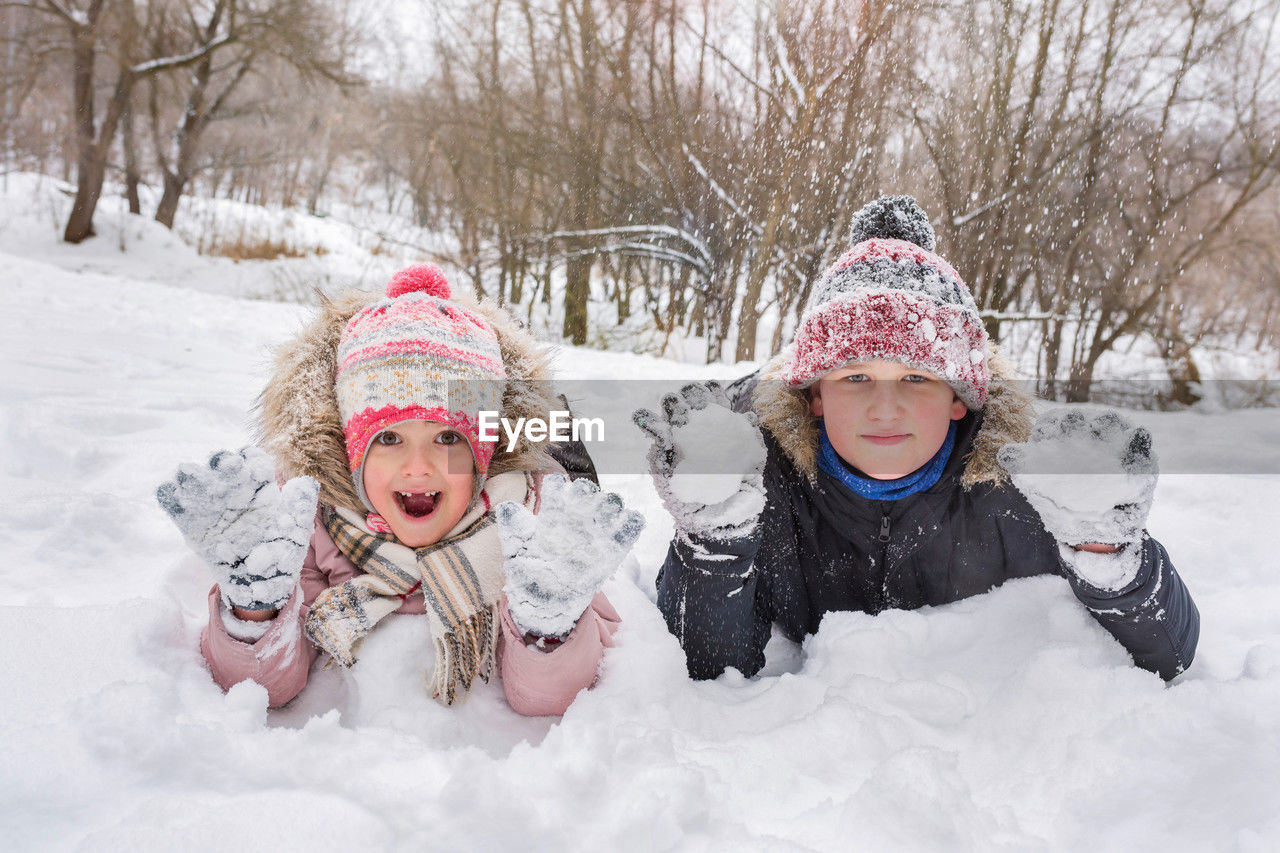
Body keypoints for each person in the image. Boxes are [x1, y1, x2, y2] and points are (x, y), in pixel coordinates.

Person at [635, 196, 1199, 682]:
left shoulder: (1025, 482)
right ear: (815, 394)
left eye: (916, 377)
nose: (885, 408)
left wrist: (1107, 553)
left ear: (960, 396)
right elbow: (708, 671)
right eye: (856, 377)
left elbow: (1166, 657)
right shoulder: (757, 477)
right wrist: (713, 542)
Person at [158, 263, 642, 715]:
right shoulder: (311, 521)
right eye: (388, 438)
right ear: (350, 450)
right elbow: (265, 689)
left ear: (484, 454)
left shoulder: (531, 518)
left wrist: (549, 628)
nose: (418, 467)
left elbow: (551, 699)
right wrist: (255, 608)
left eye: (448, 438)